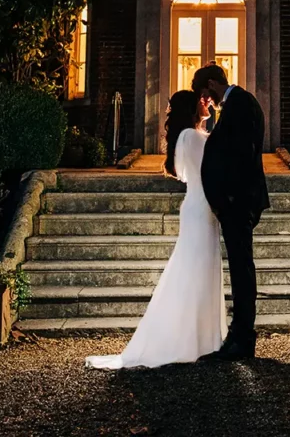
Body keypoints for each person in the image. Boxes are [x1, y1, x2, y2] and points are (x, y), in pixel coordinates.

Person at [85, 89, 224, 369]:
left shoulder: (191, 136)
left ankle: (204, 340)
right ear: (191, 108)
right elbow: (211, 168)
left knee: (201, 270)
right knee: (195, 271)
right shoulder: (191, 137)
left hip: (200, 208)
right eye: (201, 100)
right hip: (200, 209)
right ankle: (191, 341)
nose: (206, 102)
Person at [194, 62, 270, 360]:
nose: (206, 101)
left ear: (212, 84)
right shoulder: (240, 102)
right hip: (238, 200)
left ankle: (242, 338)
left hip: (239, 201)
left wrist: (228, 198)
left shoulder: (239, 104)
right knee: (241, 266)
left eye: (205, 93)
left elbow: (239, 155)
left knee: (241, 268)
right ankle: (240, 336)